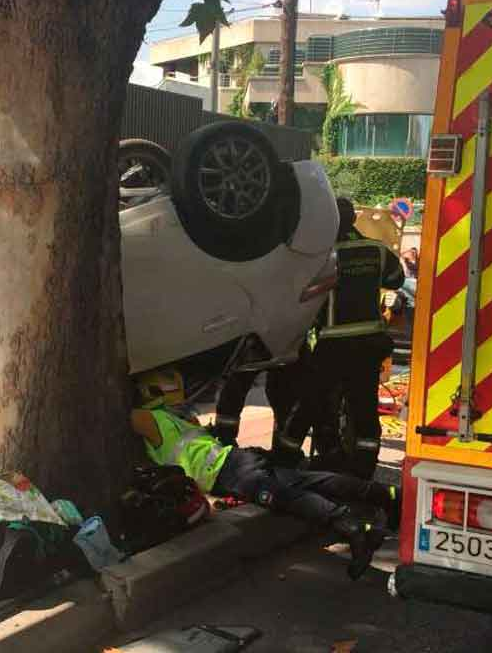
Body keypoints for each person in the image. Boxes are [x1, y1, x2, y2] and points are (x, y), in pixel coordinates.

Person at [131, 376, 396, 580]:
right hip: (238, 461)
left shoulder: (152, 419)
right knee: (306, 482)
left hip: (230, 471)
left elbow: (129, 416)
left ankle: (352, 528)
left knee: (288, 498)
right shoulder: (179, 418)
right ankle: (383, 494)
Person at [281, 197, 405, 478]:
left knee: (311, 403)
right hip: (368, 345)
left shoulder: (322, 256)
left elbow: (301, 294)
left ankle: (285, 459)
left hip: (332, 346)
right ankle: (362, 471)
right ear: (354, 219)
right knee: (364, 409)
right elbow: (396, 279)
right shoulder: (377, 251)